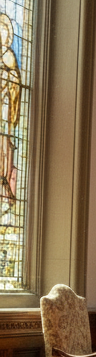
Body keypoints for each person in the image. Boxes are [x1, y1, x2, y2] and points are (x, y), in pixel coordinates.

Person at [0, 13, 22, 213]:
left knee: (4, 152)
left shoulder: (9, 58)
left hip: (3, 116)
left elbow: (15, 84)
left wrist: (8, 80)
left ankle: (5, 193)